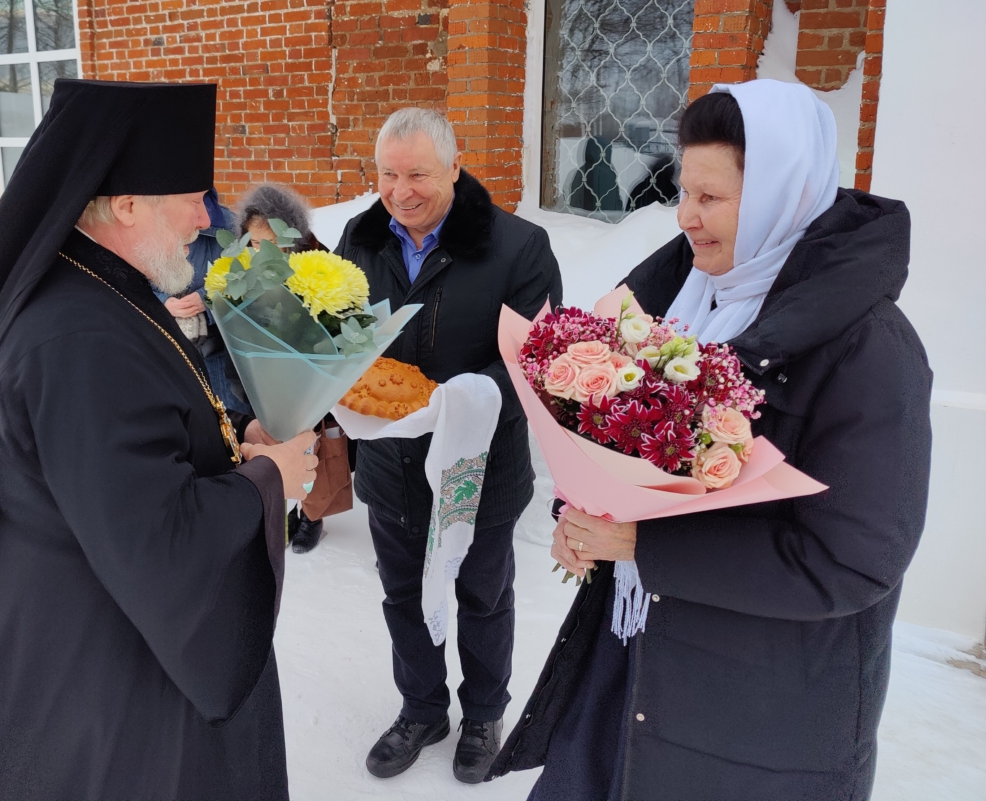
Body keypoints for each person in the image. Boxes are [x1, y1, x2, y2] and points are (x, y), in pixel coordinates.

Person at [0, 80, 317, 801]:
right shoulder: (81, 338)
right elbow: (155, 538)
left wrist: (232, 439)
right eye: (192, 197)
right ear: (129, 204)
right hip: (97, 665)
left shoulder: (96, 287)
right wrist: (272, 481)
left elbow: (122, 448)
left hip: (71, 617)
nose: (206, 218)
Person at [488, 80, 933, 801]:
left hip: (754, 721)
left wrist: (642, 545)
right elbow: (608, 448)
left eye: (712, 199)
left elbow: (853, 562)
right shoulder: (672, 302)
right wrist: (581, 517)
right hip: (629, 671)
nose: (687, 218)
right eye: (683, 193)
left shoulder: (868, 351)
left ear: (779, 197)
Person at [335, 108, 562, 783]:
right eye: (388, 174)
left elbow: (539, 360)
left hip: (479, 465)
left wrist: (450, 404)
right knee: (403, 594)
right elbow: (340, 334)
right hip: (389, 463)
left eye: (418, 175)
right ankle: (422, 708)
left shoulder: (518, 247)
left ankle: (485, 711)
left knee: (483, 595)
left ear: (455, 170)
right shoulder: (361, 239)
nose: (401, 191)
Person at [237, 182, 352, 554]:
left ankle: (312, 516)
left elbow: (348, 323)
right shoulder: (239, 275)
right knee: (279, 451)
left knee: (314, 452)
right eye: (254, 243)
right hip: (268, 385)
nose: (263, 252)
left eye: (274, 242)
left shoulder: (322, 268)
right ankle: (286, 506)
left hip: (315, 382)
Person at [153, 187, 250, 413]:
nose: (202, 220)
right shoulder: (150, 226)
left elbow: (243, 278)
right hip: (164, 345)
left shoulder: (229, 227)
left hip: (216, 346)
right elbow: (131, 276)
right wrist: (162, 301)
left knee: (227, 415)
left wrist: (206, 300)